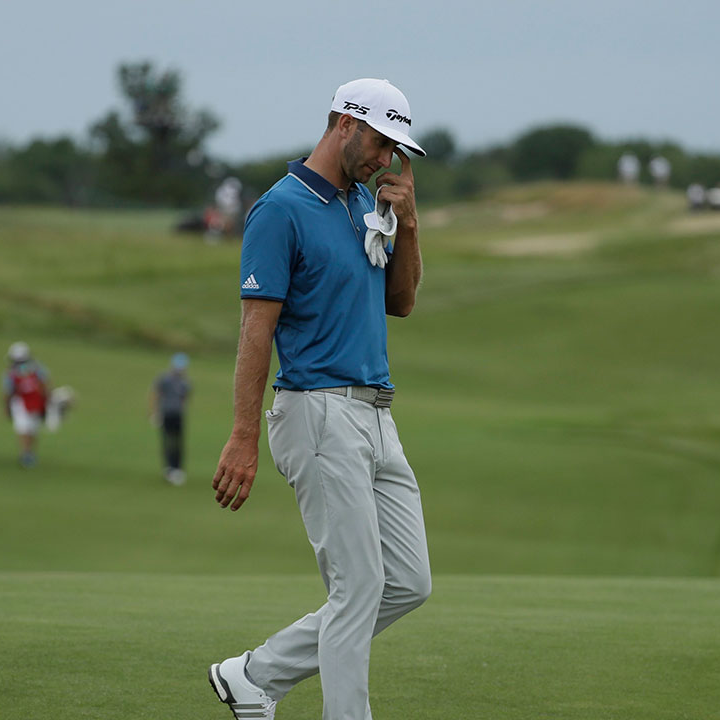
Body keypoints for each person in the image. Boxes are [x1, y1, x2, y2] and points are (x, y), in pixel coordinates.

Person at [207, 78, 431, 720]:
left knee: (408, 583)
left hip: (377, 414)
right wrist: (244, 436)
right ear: (343, 123)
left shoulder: (368, 203)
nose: (387, 159)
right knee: (357, 586)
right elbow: (257, 332)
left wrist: (408, 225)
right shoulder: (279, 210)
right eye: (381, 143)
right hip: (316, 409)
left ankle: (256, 676)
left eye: (395, 149)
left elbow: (402, 302)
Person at [2, 341, 49, 467]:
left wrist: (6, 407)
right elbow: (45, 385)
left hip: (29, 401)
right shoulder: (37, 368)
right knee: (26, 428)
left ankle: (28, 453)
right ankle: (27, 454)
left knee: (29, 428)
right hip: (26, 401)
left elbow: (7, 391)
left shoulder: (13, 372)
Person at [150, 352, 192, 486]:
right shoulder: (164, 379)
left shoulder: (185, 382)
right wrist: (154, 413)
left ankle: (178, 468)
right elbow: (155, 394)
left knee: (178, 442)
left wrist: (184, 409)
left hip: (178, 415)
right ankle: (169, 468)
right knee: (167, 441)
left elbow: (185, 398)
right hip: (166, 414)